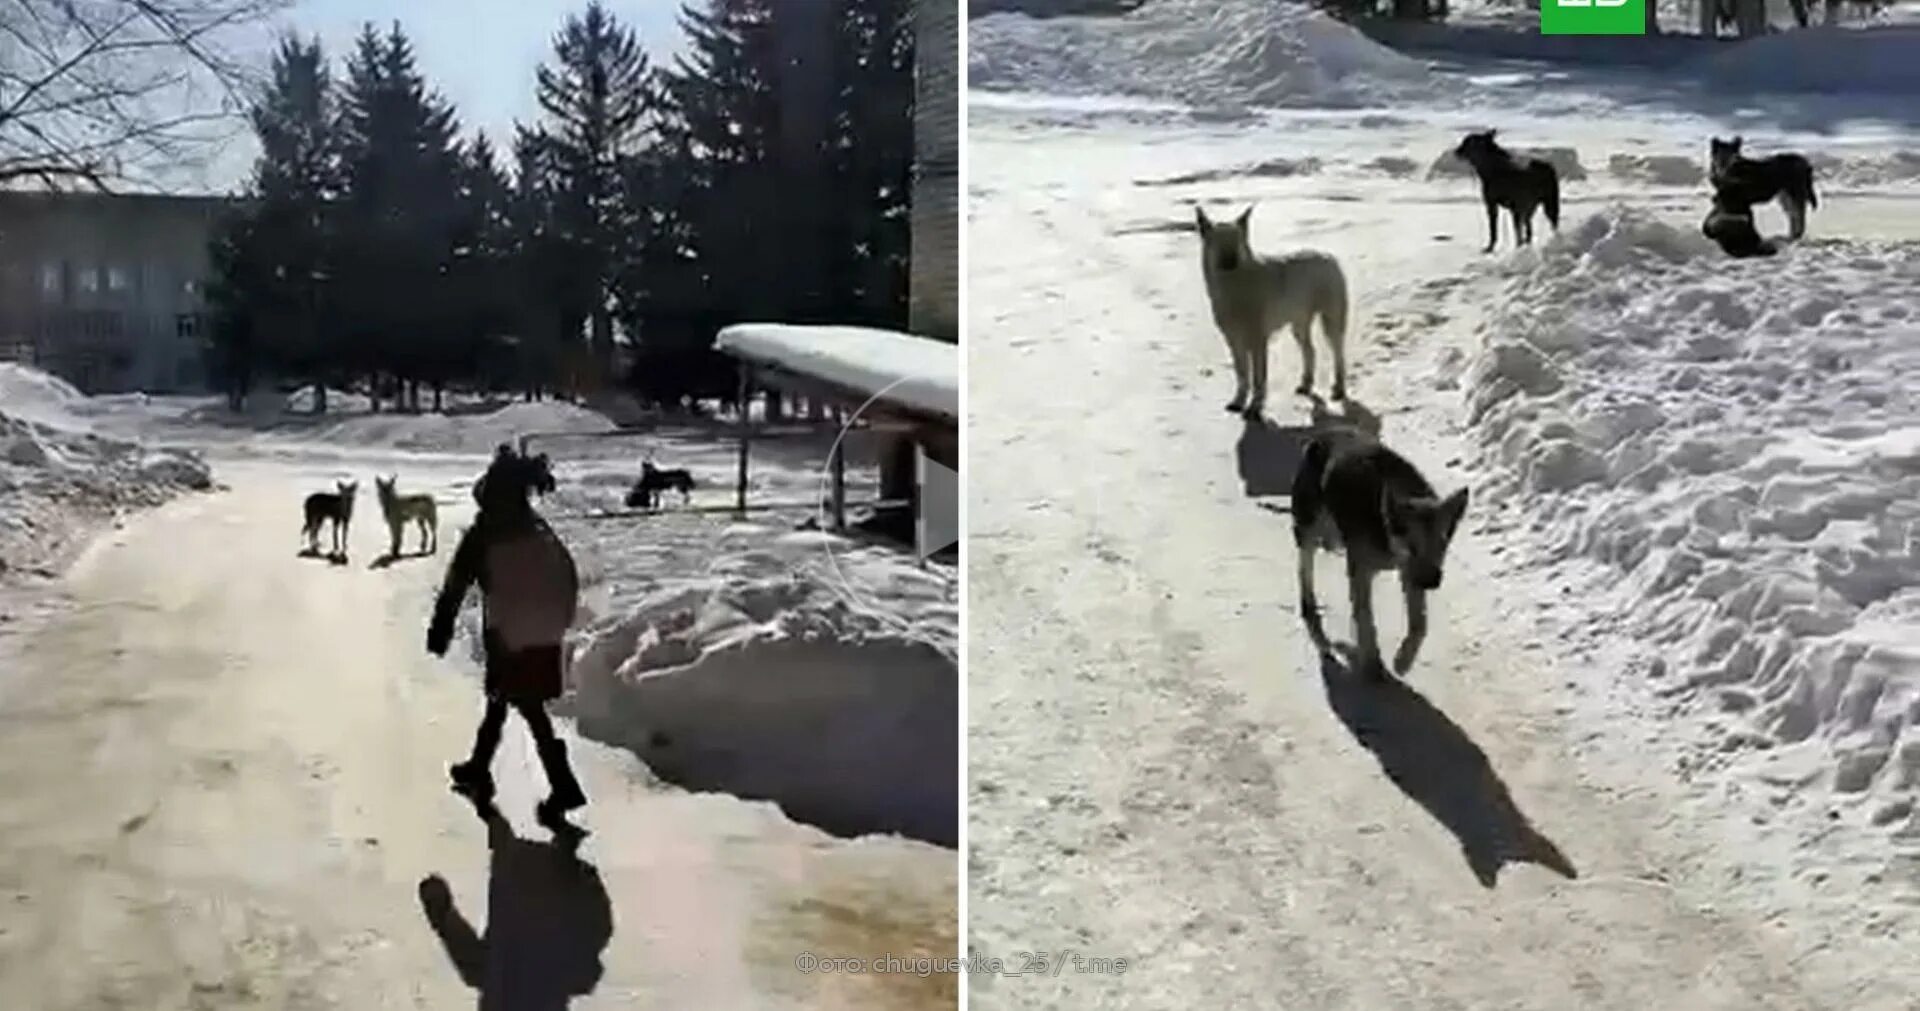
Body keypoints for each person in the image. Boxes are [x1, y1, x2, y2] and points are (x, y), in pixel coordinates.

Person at [427, 445, 586, 824]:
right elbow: (568, 575)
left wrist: (440, 628)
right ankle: (478, 768)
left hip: (508, 635)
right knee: (501, 699)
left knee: (527, 706)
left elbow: (455, 585)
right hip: (544, 632)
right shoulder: (537, 527)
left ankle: (564, 786)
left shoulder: (485, 533)